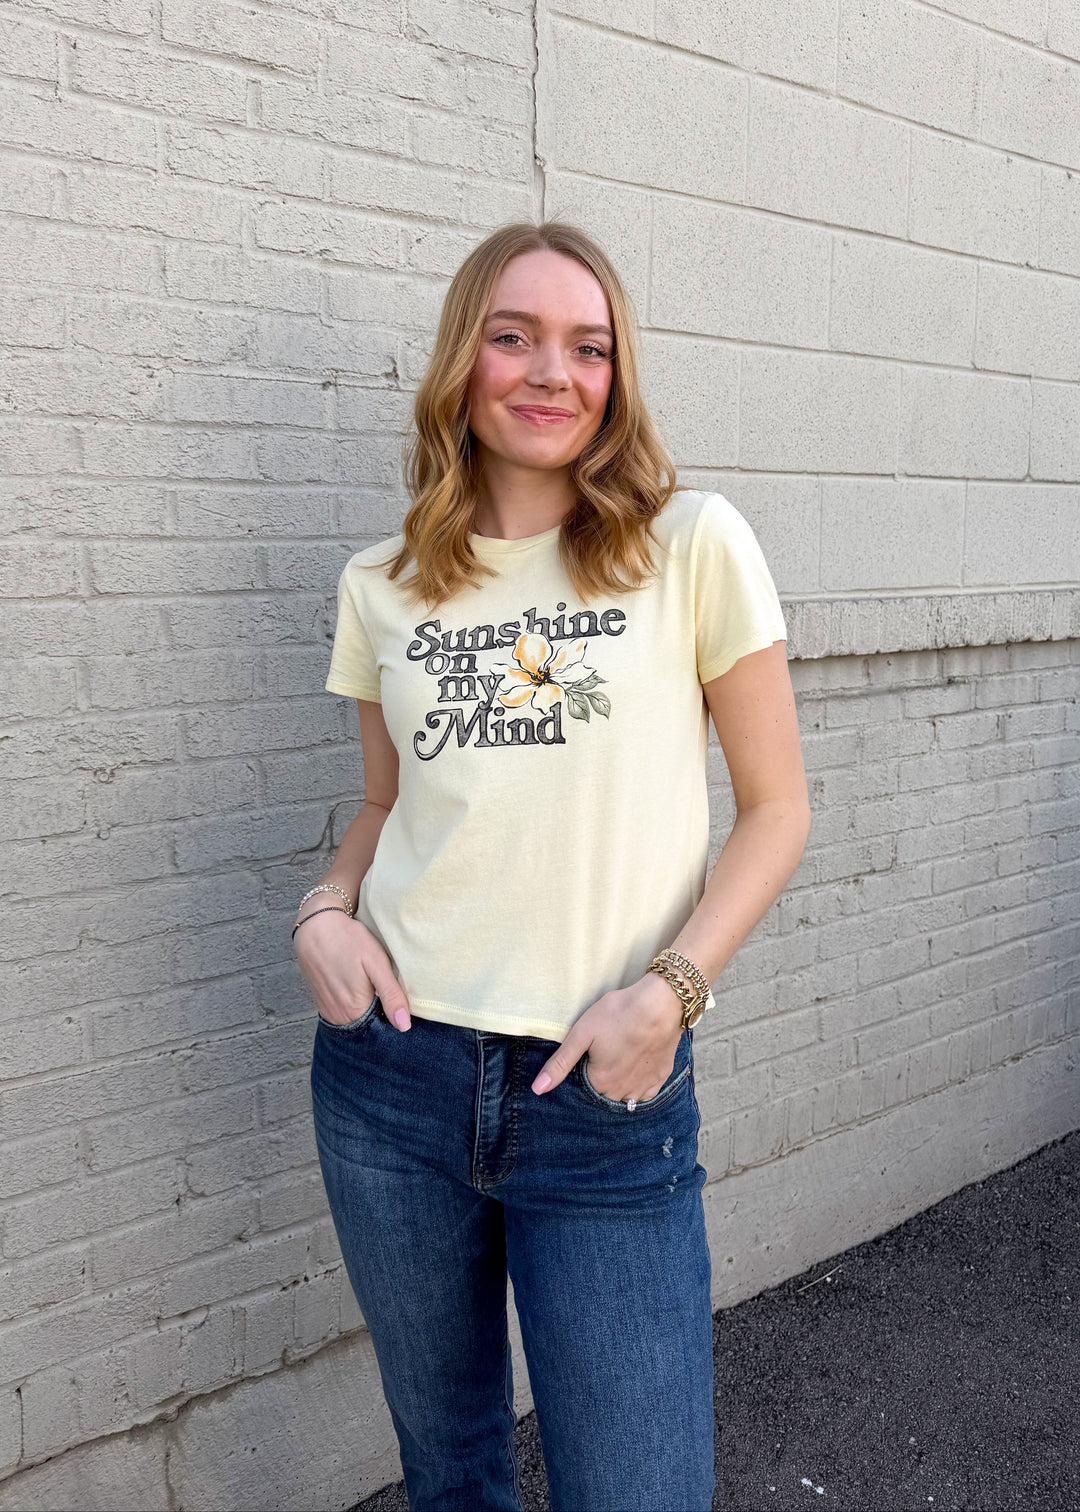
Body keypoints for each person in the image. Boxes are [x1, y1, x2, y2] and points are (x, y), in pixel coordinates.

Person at [293, 220, 812, 1512]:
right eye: (513, 337)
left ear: (616, 380)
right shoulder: (384, 585)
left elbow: (778, 808)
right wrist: (320, 913)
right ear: (463, 364)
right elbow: (380, 804)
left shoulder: (690, 546)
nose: (550, 372)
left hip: (603, 1094)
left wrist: (673, 994)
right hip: (392, 1081)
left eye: (588, 348)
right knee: (453, 1474)